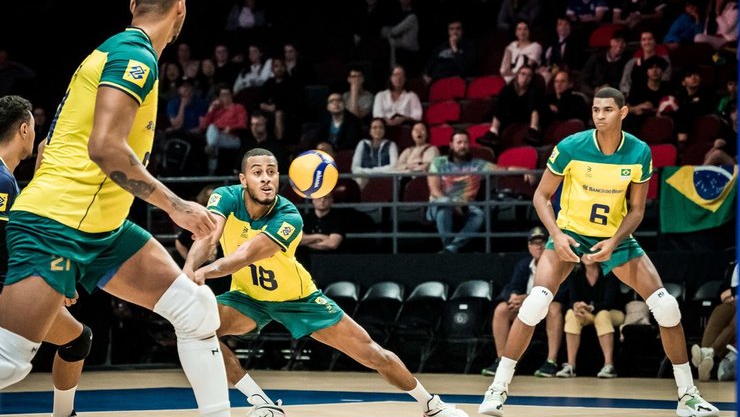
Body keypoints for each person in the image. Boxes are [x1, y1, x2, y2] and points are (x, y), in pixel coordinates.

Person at [0, 0, 232, 417]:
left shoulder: (113, 51)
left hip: (103, 230)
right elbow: (105, 148)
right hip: (56, 225)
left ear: (133, 6)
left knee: (198, 309)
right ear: (181, 7)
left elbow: (52, 145)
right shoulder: (134, 56)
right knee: (8, 363)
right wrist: (177, 206)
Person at [479, 86, 719, 417]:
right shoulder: (571, 147)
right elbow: (540, 197)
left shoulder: (639, 152)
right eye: (595, 110)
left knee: (667, 308)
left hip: (614, 237)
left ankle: (688, 396)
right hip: (571, 234)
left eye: (607, 110)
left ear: (623, 112)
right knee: (535, 303)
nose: (600, 115)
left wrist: (615, 241)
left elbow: (636, 210)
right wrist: (557, 236)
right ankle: (496, 391)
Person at [185, 148, 468, 417]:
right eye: (257, 172)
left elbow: (245, 256)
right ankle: (262, 403)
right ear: (243, 180)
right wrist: (188, 270)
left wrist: (204, 272)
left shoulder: (288, 216)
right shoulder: (225, 197)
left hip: (297, 299)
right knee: (197, 328)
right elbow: (208, 234)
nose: (266, 178)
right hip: (247, 297)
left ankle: (432, 404)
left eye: (272, 171)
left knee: (371, 353)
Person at [0, 95, 91, 417]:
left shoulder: (8, 179)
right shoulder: (1, 179)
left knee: (77, 340)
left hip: (16, 284)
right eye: (34, 130)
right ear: (24, 130)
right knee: (12, 367)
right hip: (9, 289)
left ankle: (64, 415)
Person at [482, 227, 567, 379]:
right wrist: (514, 296)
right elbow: (514, 286)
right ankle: (502, 359)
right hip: (526, 308)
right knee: (502, 309)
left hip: (548, 305)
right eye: (534, 243)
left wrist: (528, 299)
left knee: (555, 309)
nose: (539, 247)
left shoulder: (557, 263)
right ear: (529, 246)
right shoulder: (523, 265)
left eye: (542, 242)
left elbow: (562, 292)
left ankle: (551, 361)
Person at [427, 129, 496, 253]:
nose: (463, 146)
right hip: (440, 204)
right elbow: (434, 190)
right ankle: (447, 245)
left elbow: (504, 169)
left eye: (465, 143)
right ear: (451, 145)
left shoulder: (478, 165)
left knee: (479, 215)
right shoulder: (438, 162)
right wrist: (453, 204)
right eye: (459, 142)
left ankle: (451, 248)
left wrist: (525, 172)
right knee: (444, 208)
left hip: (466, 206)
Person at [554, 259, 624, 379]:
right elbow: (572, 299)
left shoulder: (609, 272)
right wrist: (576, 306)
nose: (587, 255)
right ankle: (571, 365)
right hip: (587, 313)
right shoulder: (575, 273)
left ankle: (609, 365)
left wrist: (591, 307)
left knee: (602, 315)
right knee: (571, 314)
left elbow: (610, 302)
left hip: (612, 313)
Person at [691, 262, 738, 382]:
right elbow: (726, 292)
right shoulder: (739, 264)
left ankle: (709, 352)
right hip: (738, 300)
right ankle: (705, 354)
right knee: (721, 310)